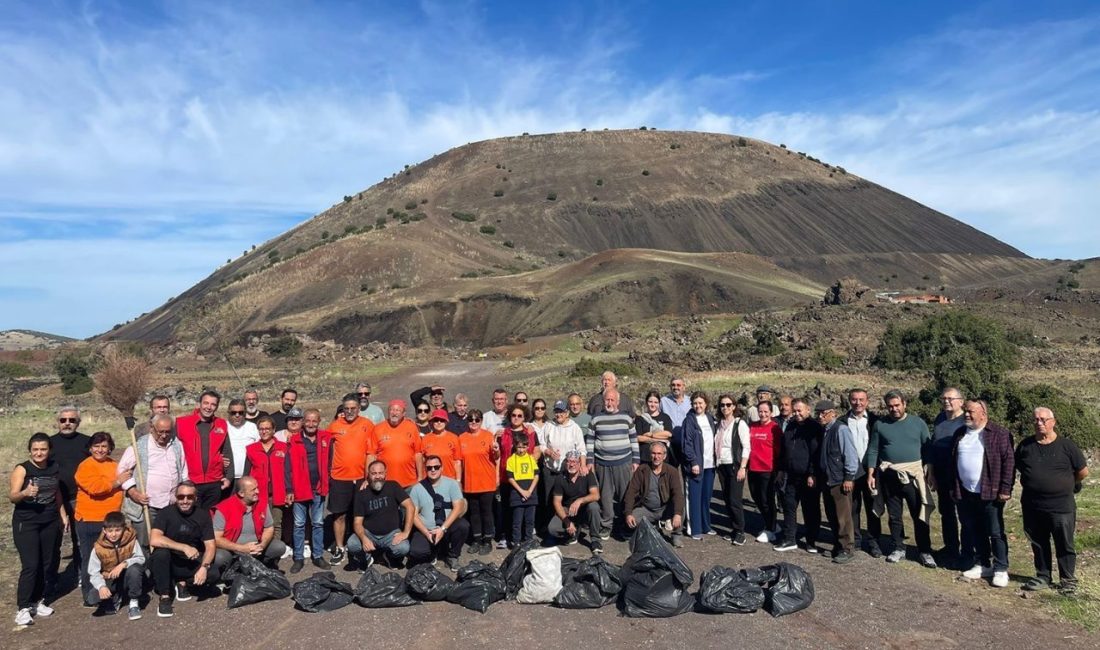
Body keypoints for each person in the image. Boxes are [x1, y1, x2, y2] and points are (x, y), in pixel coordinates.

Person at [1016, 406, 1089, 595]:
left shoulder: (1067, 446)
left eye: (1043, 419)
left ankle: (1068, 580)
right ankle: (1043, 576)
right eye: (1036, 420)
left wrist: (1067, 484)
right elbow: (1019, 468)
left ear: (1053, 422)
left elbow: (1082, 472)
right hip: (1032, 505)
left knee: (1064, 543)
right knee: (1038, 542)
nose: (1039, 423)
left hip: (1061, 506)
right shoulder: (1025, 446)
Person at [867, 390, 936, 568]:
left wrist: (930, 470)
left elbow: (927, 448)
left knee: (919, 514)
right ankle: (898, 547)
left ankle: (925, 551)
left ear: (904, 404)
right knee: (894, 515)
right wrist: (871, 473)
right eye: (890, 406)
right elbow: (873, 449)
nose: (894, 409)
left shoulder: (918, 423)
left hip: (913, 476)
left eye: (897, 405)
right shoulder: (880, 424)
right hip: (889, 476)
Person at [952, 400, 1014, 587]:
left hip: (991, 491)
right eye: (965, 411)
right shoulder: (960, 433)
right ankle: (983, 563)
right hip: (966, 491)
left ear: (983, 414)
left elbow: (1009, 462)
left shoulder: (999, 434)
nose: (966, 414)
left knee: (995, 532)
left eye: (971, 411)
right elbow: (953, 461)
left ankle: (1001, 568)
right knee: (975, 528)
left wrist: (1005, 488)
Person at [11, 432, 66, 627]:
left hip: (49, 520)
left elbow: (57, 492)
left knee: (46, 563)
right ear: (30, 451)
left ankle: (37, 601)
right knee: (31, 565)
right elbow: (13, 496)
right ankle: (23, 608)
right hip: (26, 522)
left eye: (43, 449)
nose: (39, 453)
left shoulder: (54, 467)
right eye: (35, 449)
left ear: (49, 450)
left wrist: (63, 514)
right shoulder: (22, 469)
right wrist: (25, 493)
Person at [74, 431, 128, 607]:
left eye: (104, 446)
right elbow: (95, 488)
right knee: (91, 558)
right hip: (89, 519)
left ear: (110, 448)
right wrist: (117, 482)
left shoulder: (115, 465)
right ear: (90, 448)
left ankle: (110, 591)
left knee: (110, 558)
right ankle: (91, 595)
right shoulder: (85, 466)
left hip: (111, 520)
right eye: (96, 446)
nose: (100, 450)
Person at [149, 481, 217, 618]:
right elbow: (154, 539)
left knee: (213, 574)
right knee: (160, 554)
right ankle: (165, 596)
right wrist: (183, 547)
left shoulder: (203, 515)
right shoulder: (165, 513)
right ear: (176, 497)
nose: (185, 501)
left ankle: (183, 583)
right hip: (169, 561)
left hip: (190, 560)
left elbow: (210, 545)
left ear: (195, 498)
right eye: (181, 497)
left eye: (189, 497)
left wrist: (204, 567)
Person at [118, 413, 188, 547]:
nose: (164, 435)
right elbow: (122, 470)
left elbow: (183, 470)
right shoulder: (139, 445)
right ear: (152, 428)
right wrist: (133, 493)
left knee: (169, 542)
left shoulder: (177, 444)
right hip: (147, 506)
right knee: (145, 543)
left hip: (171, 504)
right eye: (160, 432)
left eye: (168, 432)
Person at [327, 393, 374, 566]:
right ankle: (340, 547)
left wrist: (368, 476)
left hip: (361, 478)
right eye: (346, 408)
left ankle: (361, 546)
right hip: (339, 477)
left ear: (359, 408)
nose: (349, 411)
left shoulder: (367, 425)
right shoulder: (335, 425)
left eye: (353, 408)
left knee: (360, 515)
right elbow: (323, 444)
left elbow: (371, 452)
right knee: (339, 515)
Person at [586, 389, 640, 539]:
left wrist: (636, 460)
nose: (609, 403)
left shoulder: (626, 418)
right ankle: (607, 525)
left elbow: (634, 440)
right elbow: (590, 442)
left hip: (623, 462)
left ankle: (624, 525)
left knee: (625, 495)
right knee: (606, 496)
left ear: (618, 402)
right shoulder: (595, 419)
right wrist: (590, 461)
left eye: (612, 400)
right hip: (602, 464)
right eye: (607, 400)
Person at [49, 404, 90, 593]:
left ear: (78, 422)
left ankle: (81, 574)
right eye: (63, 420)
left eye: (72, 420)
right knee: (53, 541)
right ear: (57, 422)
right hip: (54, 499)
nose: (67, 423)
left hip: (80, 498)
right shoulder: (49, 443)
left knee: (80, 539)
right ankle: (51, 578)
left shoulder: (87, 442)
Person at [285, 409, 332, 573]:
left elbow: (330, 461)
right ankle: (298, 558)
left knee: (318, 523)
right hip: (300, 488)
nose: (311, 424)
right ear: (303, 422)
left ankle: (318, 555)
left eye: (314, 421)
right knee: (299, 524)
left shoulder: (325, 439)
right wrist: (289, 489)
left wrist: (327, 481)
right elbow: (287, 467)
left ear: (319, 422)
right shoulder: (294, 440)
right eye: (308, 421)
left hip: (318, 488)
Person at [775, 398, 823, 553]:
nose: (797, 413)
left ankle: (811, 541)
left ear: (808, 410)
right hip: (791, 475)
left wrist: (812, 473)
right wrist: (781, 470)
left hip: (808, 476)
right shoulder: (791, 426)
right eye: (794, 410)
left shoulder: (815, 428)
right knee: (789, 507)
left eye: (799, 410)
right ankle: (789, 538)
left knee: (810, 510)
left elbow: (816, 453)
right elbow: (784, 450)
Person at [212, 476, 286, 575]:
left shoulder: (262, 504)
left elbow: (268, 528)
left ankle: (261, 567)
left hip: (257, 548)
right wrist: (241, 548)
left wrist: (262, 545)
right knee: (219, 557)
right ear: (241, 493)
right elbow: (216, 538)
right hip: (232, 550)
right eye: (253, 490)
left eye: (257, 488)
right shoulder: (224, 508)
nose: (258, 491)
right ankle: (229, 572)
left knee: (279, 547)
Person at [348, 461, 416, 569]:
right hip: (369, 533)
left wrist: (406, 532)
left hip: (391, 534)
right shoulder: (361, 493)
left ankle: (387, 556)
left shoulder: (393, 486)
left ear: (385, 474)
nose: (377, 476)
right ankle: (367, 558)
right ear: (368, 475)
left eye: (380, 473)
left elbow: (410, 507)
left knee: (403, 548)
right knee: (352, 544)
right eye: (374, 473)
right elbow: (357, 522)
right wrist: (363, 538)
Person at [408, 455, 470, 570]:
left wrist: (442, 529)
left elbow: (458, 507)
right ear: (425, 469)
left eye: (436, 467)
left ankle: (453, 556)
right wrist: (426, 532)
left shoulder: (452, 484)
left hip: (446, 527)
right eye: (429, 468)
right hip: (427, 529)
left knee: (463, 525)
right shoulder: (417, 488)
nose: (433, 470)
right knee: (417, 552)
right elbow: (413, 515)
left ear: (442, 468)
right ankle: (433, 552)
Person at [816, 400, 860, 564]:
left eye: (823, 413)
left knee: (843, 517)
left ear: (832, 413)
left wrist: (849, 477)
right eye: (818, 413)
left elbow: (850, 455)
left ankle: (847, 548)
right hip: (827, 479)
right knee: (832, 515)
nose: (820, 416)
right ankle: (837, 546)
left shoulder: (841, 429)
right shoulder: (825, 430)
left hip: (839, 480)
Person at [175, 390, 233, 511]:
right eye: (206, 403)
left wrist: (229, 477)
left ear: (217, 407)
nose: (209, 407)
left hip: (214, 481)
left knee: (210, 516)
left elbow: (227, 450)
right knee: (191, 515)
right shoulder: (182, 423)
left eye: (213, 404)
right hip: (190, 481)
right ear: (199, 404)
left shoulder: (221, 424)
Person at [842, 388, 883, 557]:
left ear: (867, 401)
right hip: (851, 471)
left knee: (872, 507)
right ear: (849, 401)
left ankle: (874, 542)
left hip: (871, 471)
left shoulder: (876, 421)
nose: (857, 403)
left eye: (861, 399)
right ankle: (856, 540)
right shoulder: (842, 421)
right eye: (854, 399)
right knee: (853, 507)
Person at [242, 415, 292, 553]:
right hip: (258, 494)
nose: (264, 432)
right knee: (258, 524)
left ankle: (274, 553)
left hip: (278, 493)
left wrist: (289, 491)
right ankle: (259, 551)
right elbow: (246, 473)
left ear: (273, 430)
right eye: (261, 429)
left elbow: (288, 471)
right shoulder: (251, 449)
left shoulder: (283, 447)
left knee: (276, 524)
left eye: (267, 429)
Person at [538, 399, 588, 533]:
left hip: (567, 472)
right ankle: (549, 527)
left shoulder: (574, 428)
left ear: (567, 413)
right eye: (556, 411)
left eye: (561, 411)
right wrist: (548, 452)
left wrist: (583, 465)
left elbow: (582, 449)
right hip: (550, 470)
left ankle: (570, 525)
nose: (558, 414)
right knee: (549, 499)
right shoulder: (549, 425)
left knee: (565, 500)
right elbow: (541, 444)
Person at [495, 403, 540, 548]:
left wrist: (528, 465)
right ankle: (508, 537)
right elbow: (497, 456)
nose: (516, 418)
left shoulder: (531, 432)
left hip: (525, 478)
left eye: (520, 415)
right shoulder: (503, 433)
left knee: (525, 512)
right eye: (513, 415)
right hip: (507, 476)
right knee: (507, 509)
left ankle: (526, 540)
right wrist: (496, 476)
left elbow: (537, 451)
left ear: (524, 417)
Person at [624, 442, 685, 547]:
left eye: (659, 454)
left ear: (664, 456)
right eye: (653, 453)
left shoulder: (672, 471)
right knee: (633, 519)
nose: (656, 457)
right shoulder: (642, 470)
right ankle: (654, 527)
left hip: (665, 508)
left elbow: (678, 494)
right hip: (647, 508)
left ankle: (676, 535)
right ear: (650, 455)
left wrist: (677, 514)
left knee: (680, 510)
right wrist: (628, 513)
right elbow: (631, 492)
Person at [86, 511, 145, 619]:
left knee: (135, 569)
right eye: (110, 531)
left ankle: (134, 602)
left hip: (128, 575)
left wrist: (124, 564)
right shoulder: (98, 548)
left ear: (124, 528)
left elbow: (141, 558)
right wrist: (101, 586)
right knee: (92, 598)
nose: (113, 534)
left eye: (117, 530)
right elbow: (93, 572)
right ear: (104, 530)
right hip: (110, 578)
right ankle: (116, 596)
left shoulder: (131, 540)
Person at [931, 387, 966, 566]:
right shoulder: (940, 418)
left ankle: (968, 552)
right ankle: (951, 548)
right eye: (943, 398)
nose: (946, 401)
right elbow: (933, 444)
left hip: (959, 476)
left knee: (964, 514)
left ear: (961, 401)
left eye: (950, 399)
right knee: (946, 512)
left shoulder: (966, 421)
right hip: (941, 473)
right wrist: (931, 471)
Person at [459, 409, 499, 555]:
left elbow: (496, 457)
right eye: (471, 419)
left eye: (477, 419)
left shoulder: (488, 436)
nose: (474, 422)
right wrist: (459, 481)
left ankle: (487, 540)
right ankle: (476, 539)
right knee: (474, 513)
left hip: (486, 481)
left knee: (486, 512)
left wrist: (497, 450)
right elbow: (459, 462)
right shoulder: (462, 438)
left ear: (481, 421)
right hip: (470, 482)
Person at [679, 391, 717, 539]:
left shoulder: (710, 418)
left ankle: (706, 526)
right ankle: (694, 529)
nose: (698, 406)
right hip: (696, 465)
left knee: (706, 497)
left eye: (700, 403)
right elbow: (686, 444)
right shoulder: (689, 421)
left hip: (710, 464)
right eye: (695, 403)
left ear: (706, 404)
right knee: (694, 497)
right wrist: (693, 462)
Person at [548, 451, 602, 553]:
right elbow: (557, 502)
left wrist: (580, 500)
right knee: (552, 529)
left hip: (584, 509)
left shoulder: (587, 474)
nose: (571, 464)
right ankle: (572, 533)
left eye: (574, 462)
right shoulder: (560, 478)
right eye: (569, 461)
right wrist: (567, 522)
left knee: (594, 506)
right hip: (568, 510)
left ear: (579, 463)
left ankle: (595, 540)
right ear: (565, 463)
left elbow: (596, 495)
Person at [714, 395, 750, 545]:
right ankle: (734, 529)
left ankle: (740, 531)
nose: (725, 408)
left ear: (734, 406)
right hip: (721, 465)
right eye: (722, 405)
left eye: (728, 405)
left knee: (735, 500)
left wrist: (743, 467)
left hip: (735, 466)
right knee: (727, 499)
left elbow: (746, 447)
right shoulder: (718, 424)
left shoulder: (739, 424)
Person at [367, 400, 425, 489]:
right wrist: (367, 478)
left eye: (398, 410)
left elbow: (418, 453)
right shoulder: (378, 428)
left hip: (409, 482)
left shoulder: (412, 427)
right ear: (388, 411)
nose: (394, 413)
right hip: (385, 482)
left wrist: (420, 477)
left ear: (404, 413)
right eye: (392, 410)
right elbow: (371, 455)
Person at [747, 401, 782, 542]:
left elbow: (779, 450)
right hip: (753, 468)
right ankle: (772, 523)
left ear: (771, 413)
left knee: (766, 499)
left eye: (766, 412)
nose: (763, 414)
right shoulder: (752, 426)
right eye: (760, 411)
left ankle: (770, 529)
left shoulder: (775, 428)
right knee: (756, 497)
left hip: (768, 470)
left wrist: (778, 470)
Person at [506, 435, 539, 547]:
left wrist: (529, 491)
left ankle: (528, 541)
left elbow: (536, 475)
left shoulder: (531, 459)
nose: (521, 450)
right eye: (519, 447)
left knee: (530, 521)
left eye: (523, 447)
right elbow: (510, 478)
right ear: (515, 446)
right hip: (517, 494)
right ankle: (516, 542)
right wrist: (522, 491)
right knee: (517, 521)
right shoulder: (511, 460)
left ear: (527, 447)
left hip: (531, 493)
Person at [421, 409, 463, 481]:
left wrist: (458, 480)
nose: (439, 422)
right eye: (436, 420)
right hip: (430, 480)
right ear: (432, 422)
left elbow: (457, 462)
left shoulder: (454, 438)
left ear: (446, 422)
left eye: (442, 420)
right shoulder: (425, 439)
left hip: (449, 479)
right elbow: (422, 461)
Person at [636, 390, 675, 465]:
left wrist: (651, 435)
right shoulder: (640, 419)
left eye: (656, 402)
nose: (653, 404)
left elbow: (668, 434)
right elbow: (639, 437)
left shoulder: (665, 417)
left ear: (659, 403)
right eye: (650, 402)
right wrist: (658, 439)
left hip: (662, 458)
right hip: (645, 457)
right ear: (646, 402)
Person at [225, 398, 259, 477]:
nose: (237, 415)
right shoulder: (223, 427)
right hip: (227, 477)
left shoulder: (252, 427)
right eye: (233, 413)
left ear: (245, 413)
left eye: (241, 413)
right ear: (228, 413)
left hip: (248, 476)